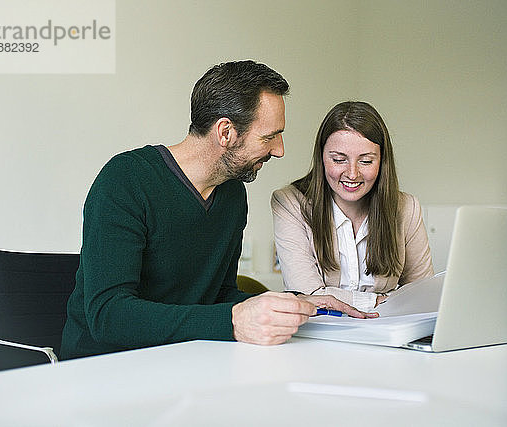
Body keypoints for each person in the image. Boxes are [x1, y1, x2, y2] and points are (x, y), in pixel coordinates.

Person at [61, 61, 370, 360]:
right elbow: (108, 315)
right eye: (270, 136)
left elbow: (219, 296)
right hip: (104, 370)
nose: (279, 149)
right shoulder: (126, 180)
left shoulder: (232, 195)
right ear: (225, 132)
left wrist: (298, 304)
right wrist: (233, 320)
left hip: (181, 363)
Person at [271, 101, 434, 312]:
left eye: (366, 161)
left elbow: (423, 293)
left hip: (384, 334)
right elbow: (308, 294)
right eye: (339, 160)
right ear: (321, 158)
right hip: (320, 335)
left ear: (382, 161)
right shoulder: (289, 202)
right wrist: (378, 301)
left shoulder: (406, 208)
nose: (352, 174)